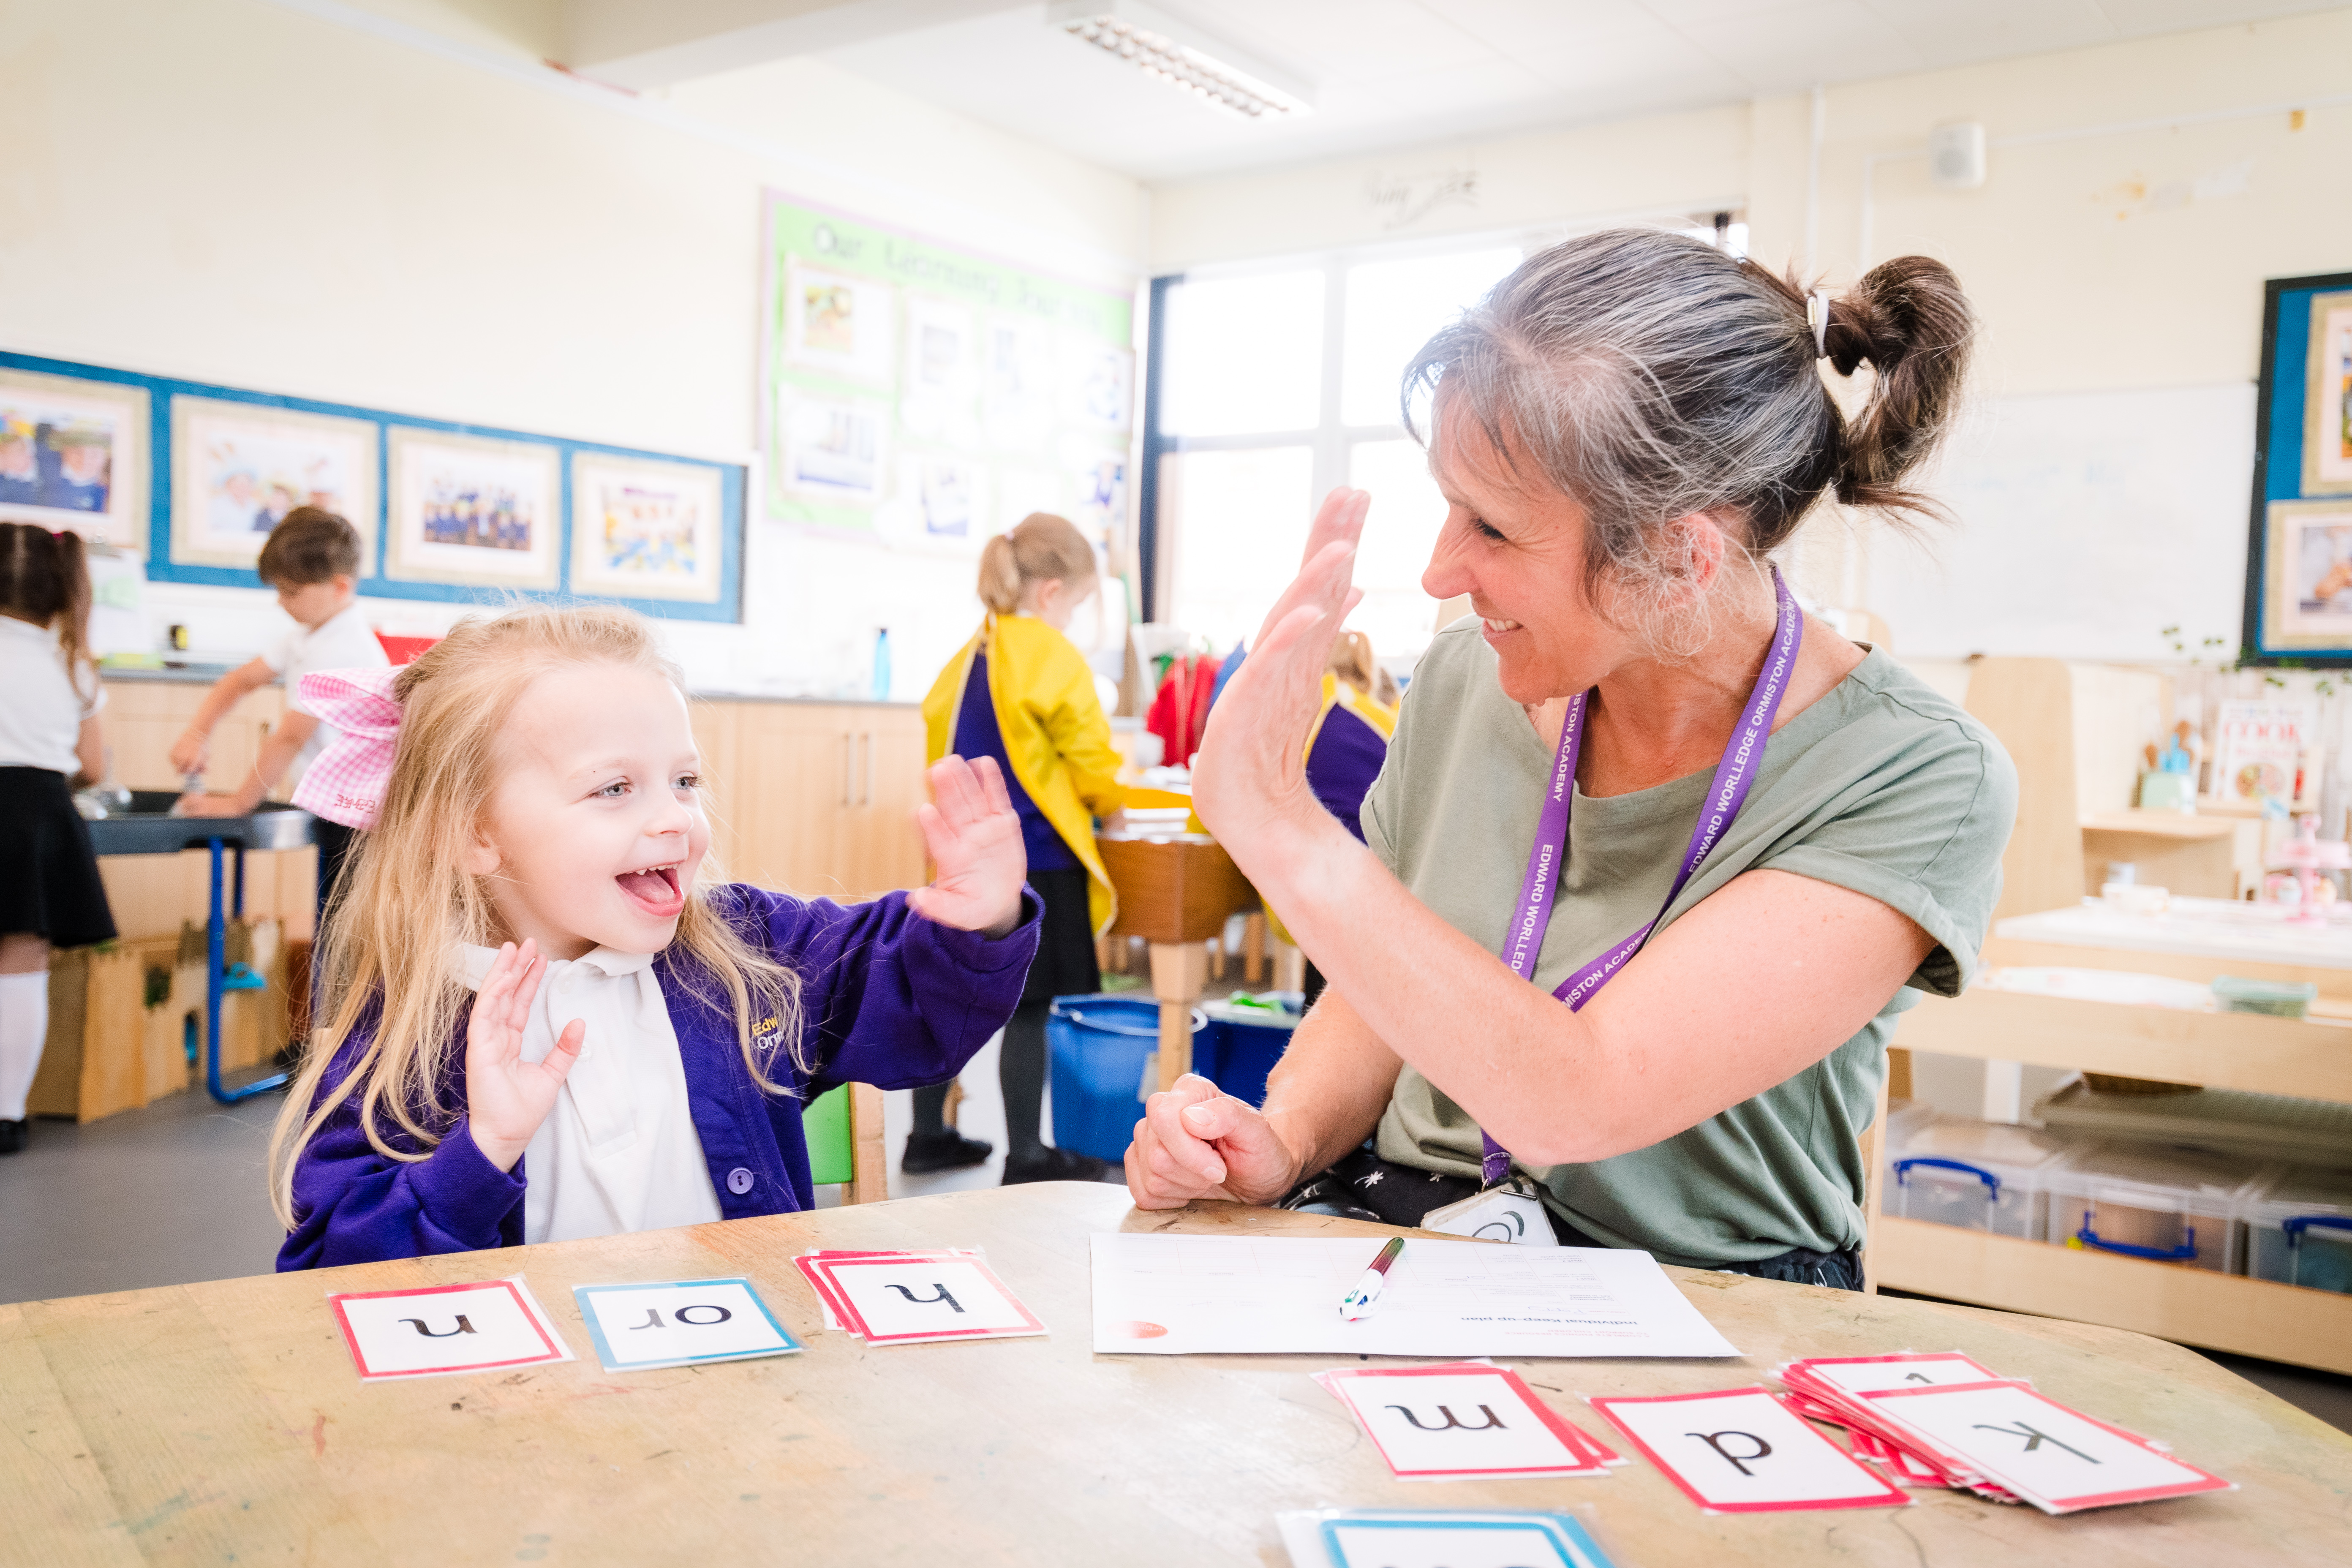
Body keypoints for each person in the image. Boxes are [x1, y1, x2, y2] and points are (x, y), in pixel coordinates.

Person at [1124, 232, 2015, 1292]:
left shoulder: (1915, 773)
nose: (1440, 571)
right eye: (1448, 504)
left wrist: (1280, 824)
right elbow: (1390, 983)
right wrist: (1285, 1140)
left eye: (1494, 529)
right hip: (1409, 1244)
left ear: (1677, 558)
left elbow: (1581, 1096)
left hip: (1702, 1296)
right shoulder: (1464, 678)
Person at [269, 604, 1040, 1267]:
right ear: (474, 833)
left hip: (746, 1377)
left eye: (685, 781)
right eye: (614, 788)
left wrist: (974, 923)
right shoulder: (403, 1031)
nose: (675, 817)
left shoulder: (750, 950)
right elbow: (336, 1270)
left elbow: (901, 990)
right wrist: (485, 1149)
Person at [910, 512, 1176, 1184]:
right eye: (1078, 604)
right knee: (1033, 1006)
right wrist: (1112, 803)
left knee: (949, 996)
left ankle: (927, 1136)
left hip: (964, 860)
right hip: (1038, 861)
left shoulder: (967, 657)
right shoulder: (1049, 654)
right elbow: (1089, 760)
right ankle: (1028, 1156)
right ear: (1053, 592)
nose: (1074, 618)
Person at [172, 507, 389, 920]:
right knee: (333, 915)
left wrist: (238, 803)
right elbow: (240, 681)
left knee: (347, 923)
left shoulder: (341, 647)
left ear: (339, 587)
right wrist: (196, 734)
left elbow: (290, 738)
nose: (280, 601)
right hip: (340, 806)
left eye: (291, 592)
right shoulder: (309, 636)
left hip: (362, 815)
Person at [0, 524, 117, 1154]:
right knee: (21, 966)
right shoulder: (73, 664)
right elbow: (93, 766)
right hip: (34, 816)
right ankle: (7, 1113)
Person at [1291, 630, 1399, 1008]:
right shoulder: (1379, 718)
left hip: (1315, 872)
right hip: (1380, 875)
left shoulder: (1304, 713)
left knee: (1322, 985)